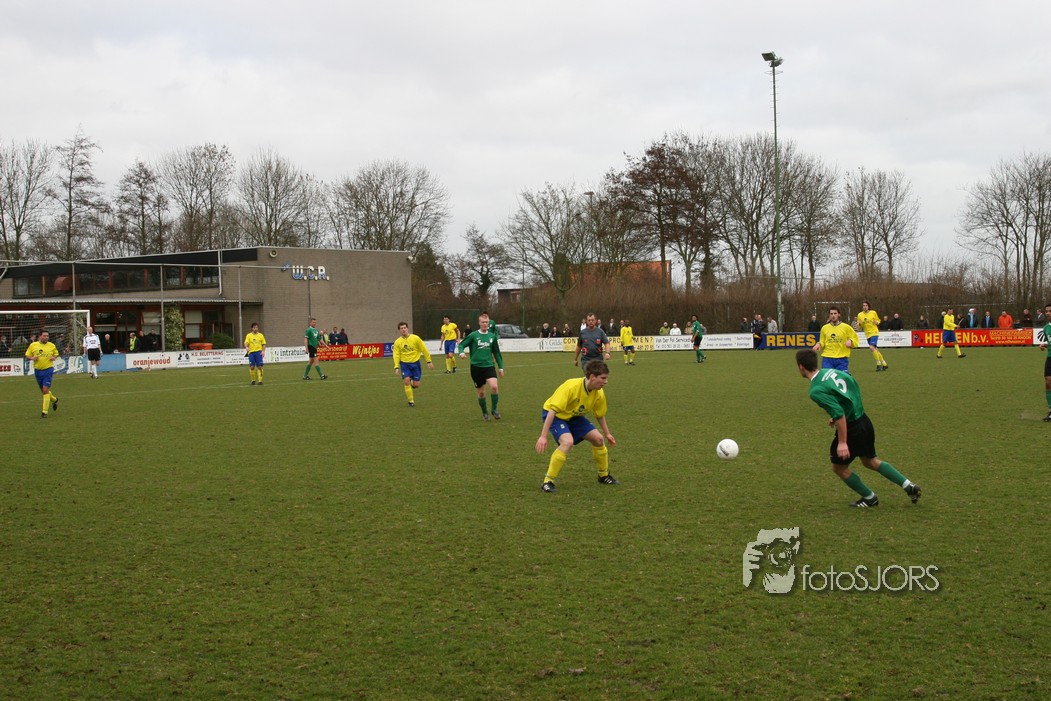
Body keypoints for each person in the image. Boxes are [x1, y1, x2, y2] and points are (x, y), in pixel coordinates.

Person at [796, 348, 922, 508]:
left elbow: (839, 414)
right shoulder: (832, 372)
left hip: (852, 429)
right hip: (863, 420)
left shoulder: (815, 390)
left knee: (839, 468)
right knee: (869, 461)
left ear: (801, 367)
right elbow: (852, 388)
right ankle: (909, 486)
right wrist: (842, 414)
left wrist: (842, 442)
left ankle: (869, 498)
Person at [536, 359, 618, 493]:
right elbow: (552, 411)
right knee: (567, 442)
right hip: (556, 416)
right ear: (592, 377)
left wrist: (607, 433)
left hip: (575, 416)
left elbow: (600, 415)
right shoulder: (571, 387)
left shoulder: (598, 393)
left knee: (598, 439)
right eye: (603, 378)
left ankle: (603, 475)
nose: (606, 382)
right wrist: (543, 436)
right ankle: (548, 481)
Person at [458, 313, 505, 420]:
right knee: (481, 393)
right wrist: (461, 353)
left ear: (489, 323)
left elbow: (497, 353)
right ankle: (485, 413)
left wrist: (501, 367)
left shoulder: (492, 336)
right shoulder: (473, 335)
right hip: (476, 368)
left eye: (486, 322)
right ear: (479, 323)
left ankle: (494, 409)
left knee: (494, 387)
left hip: (489, 366)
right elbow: (461, 345)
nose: (485, 324)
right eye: (483, 322)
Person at [393, 321, 433, 407]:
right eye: (401, 328)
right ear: (399, 330)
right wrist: (396, 367)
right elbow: (396, 355)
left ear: (407, 328)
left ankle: (412, 382)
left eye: (405, 328)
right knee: (406, 381)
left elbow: (424, 349)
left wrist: (429, 361)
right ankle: (411, 401)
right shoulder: (397, 342)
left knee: (416, 385)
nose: (403, 330)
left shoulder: (415, 338)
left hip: (416, 364)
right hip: (404, 364)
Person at [24, 330, 60, 419]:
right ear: (40, 336)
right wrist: (32, 358)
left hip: (48, 369)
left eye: (47, 336)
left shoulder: (51, 345)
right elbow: (27, 355)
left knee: (45, 390)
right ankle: (54, 399)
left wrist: (53, 357)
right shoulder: (33, 345)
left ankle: (44, 412)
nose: (46, 337)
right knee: (44, 391)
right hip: (38, 371)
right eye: (44, 336)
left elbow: (56, 354)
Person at [812, 306, 859, 372]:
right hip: (827, 358)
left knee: (842, 378)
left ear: (839, 315)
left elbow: (855, 339)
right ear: (829, 315)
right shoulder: (824, 328)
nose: (833, 315)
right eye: (831, 314)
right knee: (827, 378)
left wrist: (850, 341)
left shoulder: (846, 327)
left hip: (842, 359)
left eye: (835, 313)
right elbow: (822, 341)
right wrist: (819, 344)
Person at [855, 301, 889, 372]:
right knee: (875, 349)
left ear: (868, 306)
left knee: (871, 347)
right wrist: (859, 324)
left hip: (874, 332)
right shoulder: (860, 315)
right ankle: (884, 364)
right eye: (863, 305)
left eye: (866, 305)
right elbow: (859, 325)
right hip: (867, 334)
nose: (865, 307)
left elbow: (878, 320)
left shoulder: (873, 313)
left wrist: (877, 322)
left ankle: (878, 364)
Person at [1040, 303, 1051, 422]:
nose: (1048, 313)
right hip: (1050, 357)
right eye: (1047, 311)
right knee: (1048, 382)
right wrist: (1044, 345)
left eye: (1050, 311)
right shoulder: (1046, 328)